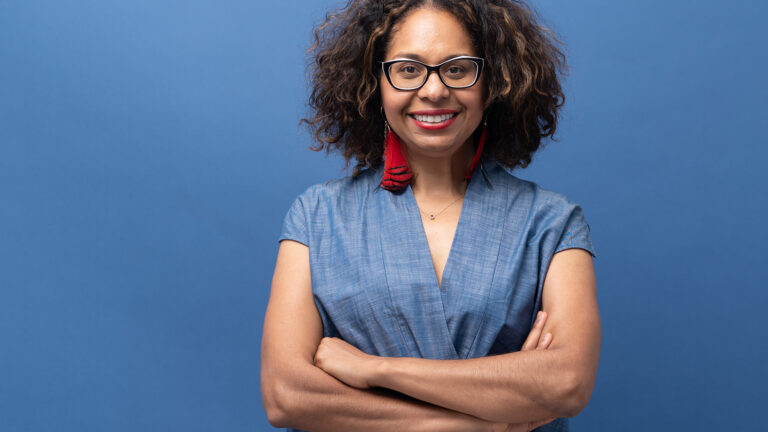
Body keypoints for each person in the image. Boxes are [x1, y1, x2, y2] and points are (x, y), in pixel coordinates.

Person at [261, 1, 600, 431]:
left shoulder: (552, 223)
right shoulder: (316, 217)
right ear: (374, 84)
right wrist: (485, 422)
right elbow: (286, 396)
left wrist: (375, 370)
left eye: (457, 69)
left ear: (493, 81)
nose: (435, 90)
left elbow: (567, 384)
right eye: (407, 69)